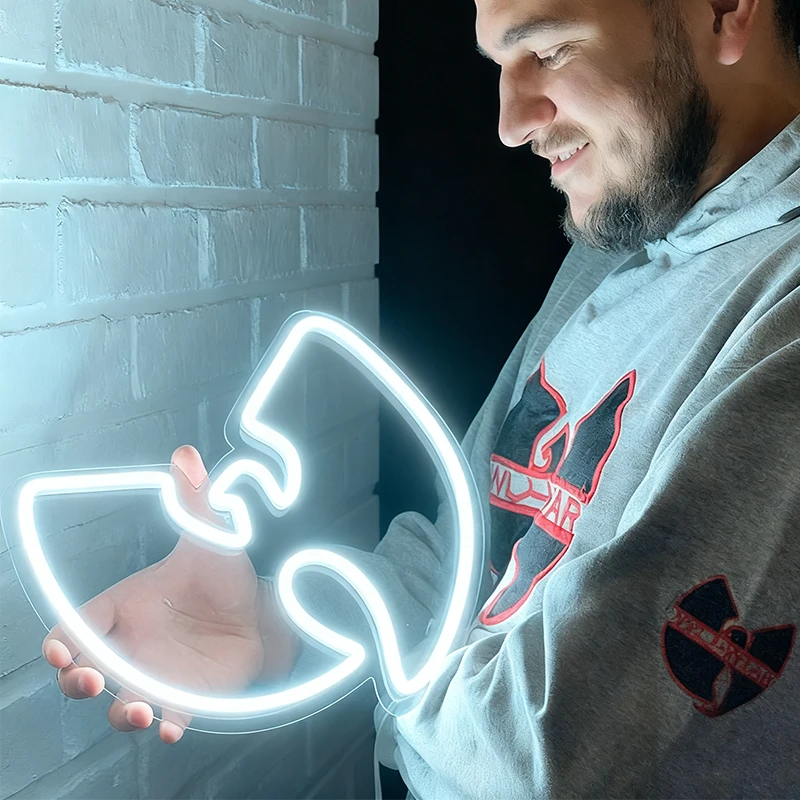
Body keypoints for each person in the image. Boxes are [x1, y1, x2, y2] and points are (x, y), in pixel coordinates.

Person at [44, 0, 800, 796]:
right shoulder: (623, 238)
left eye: (549, 49)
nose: (510, 123)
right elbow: (467, 559)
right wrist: (273, 626)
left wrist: (390, 659)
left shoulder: (780, 314)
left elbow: (549, 766)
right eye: (498, 65)